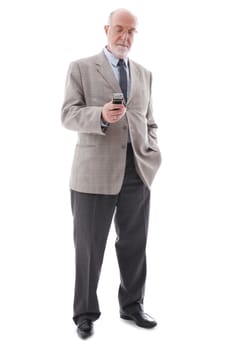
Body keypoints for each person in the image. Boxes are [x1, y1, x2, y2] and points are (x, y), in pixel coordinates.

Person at [61, 8, 162, 339]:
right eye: (119, 29)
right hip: (93, 174)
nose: (125, 37)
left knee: (135, 243)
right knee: (89, 246)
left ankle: (132, 305)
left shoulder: (145, 74)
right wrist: (101, 115)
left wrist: (152, 153)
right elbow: (68, 115)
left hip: (137, 171)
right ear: (107, 29)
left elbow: (149, 121)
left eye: (132, 32)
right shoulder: (81, 68)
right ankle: (85, 313)